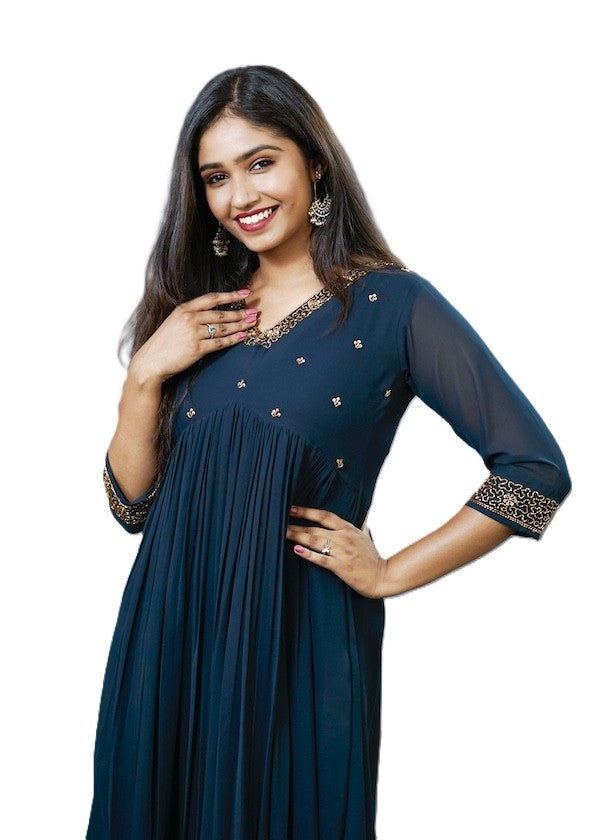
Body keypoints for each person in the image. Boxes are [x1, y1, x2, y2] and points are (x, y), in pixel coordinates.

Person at [86, 65, 571, 839]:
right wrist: (143, 376)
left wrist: (389, 573)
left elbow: (536, 474)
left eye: (261, 162)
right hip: (168, 638)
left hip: (294, 645)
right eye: (216, 176)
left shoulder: (392, 306)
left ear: (314, 162)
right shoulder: (200, 314)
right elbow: (131, 506)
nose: (240, 194)